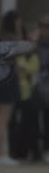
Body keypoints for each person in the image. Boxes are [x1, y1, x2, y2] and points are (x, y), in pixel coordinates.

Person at [0, 10, 23, 165]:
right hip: (8, 80)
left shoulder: (0, 37)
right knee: (3, 118)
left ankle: (0, 152)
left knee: (2, 118)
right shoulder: (10, 39)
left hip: (1, 79)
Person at [35, 15, 49, 163]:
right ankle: (40, 150)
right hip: (38, 87)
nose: (43, 30)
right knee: (38, 119)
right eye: (42, 27)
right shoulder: (37, 44)